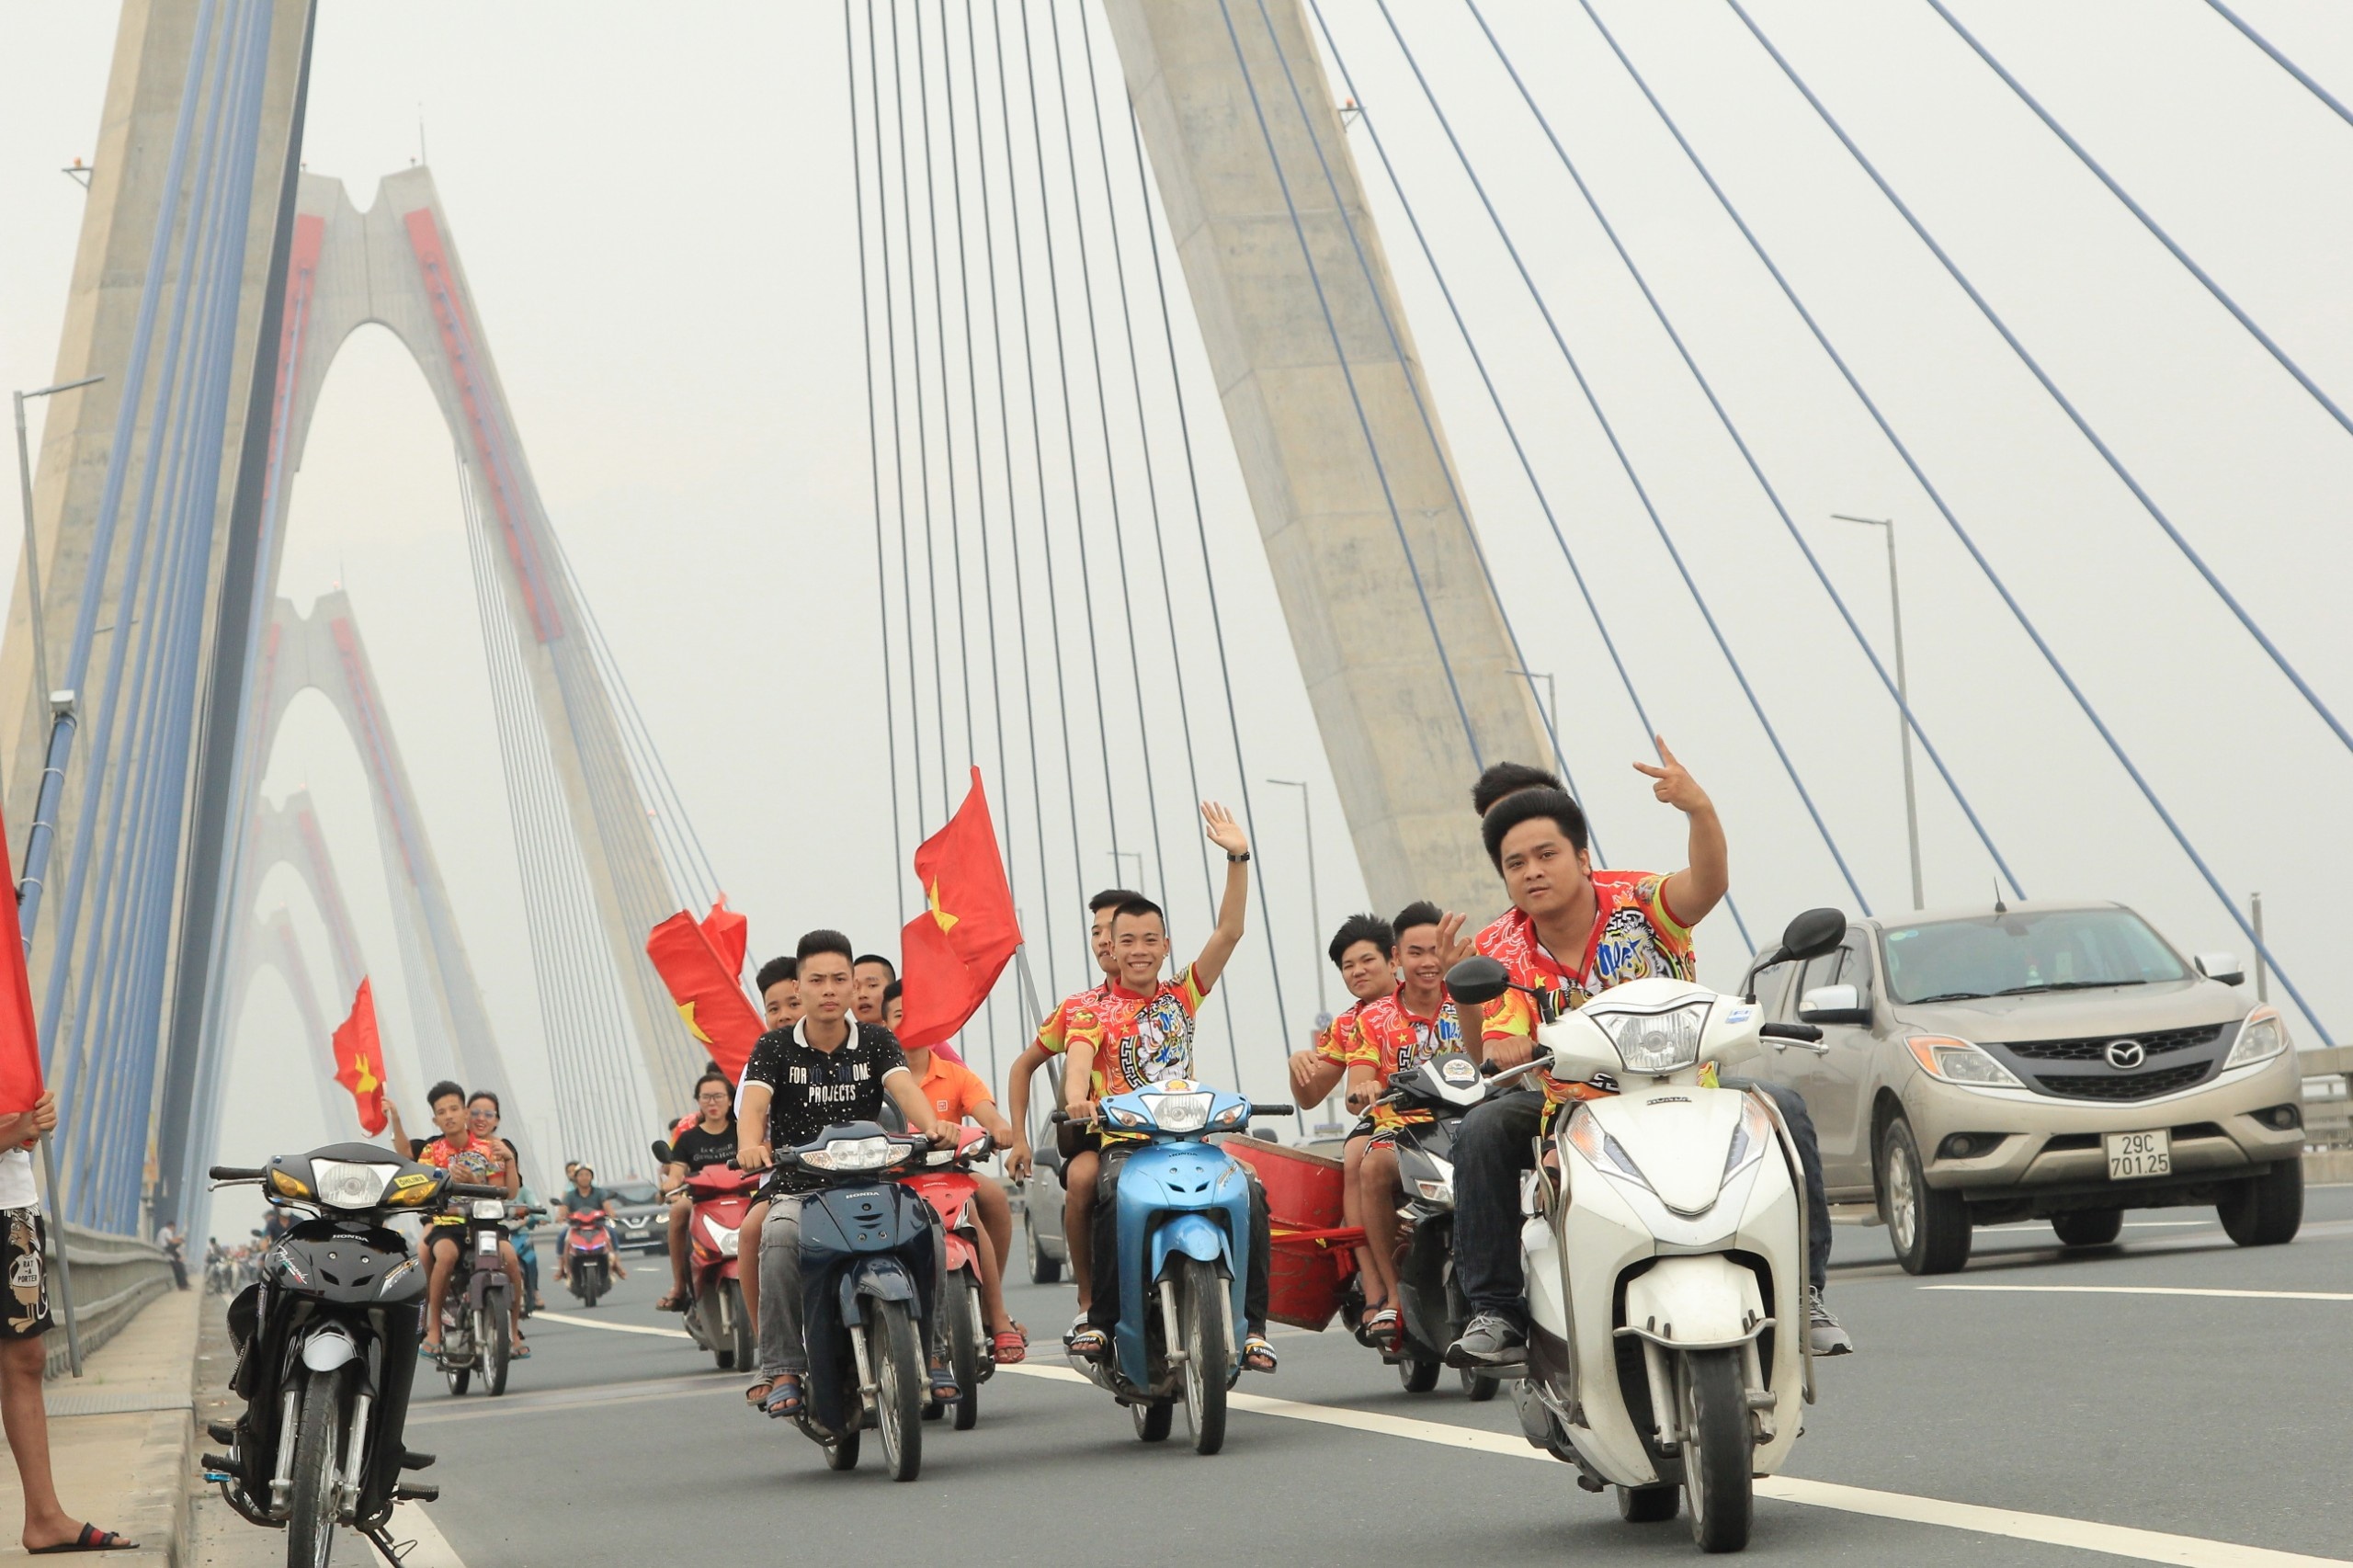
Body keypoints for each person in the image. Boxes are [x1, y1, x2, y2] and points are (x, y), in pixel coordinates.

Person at [1444, 745, 1852, 1365]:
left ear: (1583, 857)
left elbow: (1707, 885)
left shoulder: (1639, 899)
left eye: (1547, 855)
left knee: (1785, 1109)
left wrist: (1698, 810)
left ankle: (1806, 1295)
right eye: (1515, 863)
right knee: (1480, 1129)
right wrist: (1500, 1040)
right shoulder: (1499, 946)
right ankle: (1496, 1311)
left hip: (1691, 1088)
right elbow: (1497, 1040)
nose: (1533, 872)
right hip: (1574, 1109)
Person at [1063, 803, 1277, 1375]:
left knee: (1252, 1190)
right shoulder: (1091, 1010)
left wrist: (1238, 856)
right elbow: (1078, 1063)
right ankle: (1102, 1320)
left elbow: (1230, 931)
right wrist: (1077, 1098)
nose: (1139, 949)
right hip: (1126, 1146)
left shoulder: (1183, 994)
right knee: (1111, 1197)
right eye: (1127, 940)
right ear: (1110, 948)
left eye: (1150, 939)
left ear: (1165, 945)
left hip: (1192, 1142)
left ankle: (1255, 1327)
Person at [736, 929, 955, 1419]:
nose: (829, 990)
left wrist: (933, 1126)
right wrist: (750, 1146)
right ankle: (783, 1367)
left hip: (869, 1180)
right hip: (800, 1187)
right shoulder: (773, 1047)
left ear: (855, 985)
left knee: (930, 1226)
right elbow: (753, 1107)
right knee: (776, 1235)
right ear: (799, 987)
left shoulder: (876, 1040)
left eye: (840, 979)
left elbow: (904, 1088)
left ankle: (935, 1354)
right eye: (817, 980)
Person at [0, 1090, 137, 1553]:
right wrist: (13, 1130)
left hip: (13, 1208)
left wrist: (31, 1124)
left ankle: (44, 1516)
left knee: (26, 1360)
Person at [1004, 887, 1137, 1330]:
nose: (1103, 940)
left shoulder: (1169, 1000)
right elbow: (1023, 1067)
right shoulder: (1080, 1009)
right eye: (1096, 932)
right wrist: (1020, 1139)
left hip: (1163, 1134)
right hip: (1100, 1139)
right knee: (1080, 1178)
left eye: (1113, 929)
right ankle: (1088, 1301)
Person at [881, 983, 1026, 1363]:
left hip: (950, 1175)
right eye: (900, 1016)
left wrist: (1001, 1129)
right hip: (896, 1181)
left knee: (983, 1203)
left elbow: (988, 1114)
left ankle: (996, 1315)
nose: (911, 1023)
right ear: (885, 1025)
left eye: (919, 1015)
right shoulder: (877, 1082)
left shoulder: (955, 1075)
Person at [1349, 902, 1472, 1344]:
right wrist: (1365, 1088)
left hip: (1468, 1125)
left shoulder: (1473, 1002)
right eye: (1416, 952)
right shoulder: (1373, 1018)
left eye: (1436, 950)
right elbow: (1356, 1083)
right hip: (1401, 1132)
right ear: (1397, 958)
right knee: (1372, 1167)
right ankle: (1393, 1293)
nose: (1428, 962)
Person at [1287, 913, 1394, 1334]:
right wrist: (1298, 1069)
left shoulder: (1431, 1000)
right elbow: (1311, 1097)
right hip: (1382, 1123)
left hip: (1441, 1115)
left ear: (1393, 960)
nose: (1358, 971)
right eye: (1348, 966)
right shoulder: (1347, 1024)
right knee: (1354, 1155)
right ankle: (1373, 1286)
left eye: (1367, 960)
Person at [386, 1082, 527, 1361]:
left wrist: (475, 1181)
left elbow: (502, 1192)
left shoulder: (489, 1149)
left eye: (454, 1109)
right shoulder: (431, 1151)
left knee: (510, 1258)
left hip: (484, 1225)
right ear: (435, 1120)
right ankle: (434, 1329)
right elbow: (422, 1185)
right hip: (446, 1225)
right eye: (442, 1112)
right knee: (446, 1255)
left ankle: (513, 1331)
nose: (449, 1116)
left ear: (465, 1113)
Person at [657, 1072, 737, 1311]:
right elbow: (677, 1172)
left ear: (730, 1100)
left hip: (741, 1199)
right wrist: (670, 1185)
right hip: (702, 1201)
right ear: (698, 1101)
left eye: (718, 1096)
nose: (713, 1102)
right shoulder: (687, 1139)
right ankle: (679, 1285)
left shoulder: (743, 1131)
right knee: (678, 1210)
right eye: (706, 1097)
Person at [552, 1165, 626, 1288]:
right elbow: (563, 1209)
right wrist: (560, 1216)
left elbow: (607, 1206)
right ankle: (561, 1269)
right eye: (581, 1175)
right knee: (562, 1236)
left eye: (587, 1175)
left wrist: (611, 1213)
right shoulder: (570, 1195)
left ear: (592, 1177)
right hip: (577, 1227)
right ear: (576, 1178)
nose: (584, 1178)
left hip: (597, 1226)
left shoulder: (600, 1192)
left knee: (612, 1232)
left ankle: (617, 1265)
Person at [156, 1221, 188, 1291]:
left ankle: (183, 1285)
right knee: (181, 1241)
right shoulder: (167, 1231)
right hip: (166, 1249)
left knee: (178, 1264)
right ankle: (183, 1285)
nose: (174, 1230)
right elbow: (171, 1241)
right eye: (174, 1228)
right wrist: (180, 1239)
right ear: (171, 1226)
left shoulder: (162, 1230)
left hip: (163, 1249)